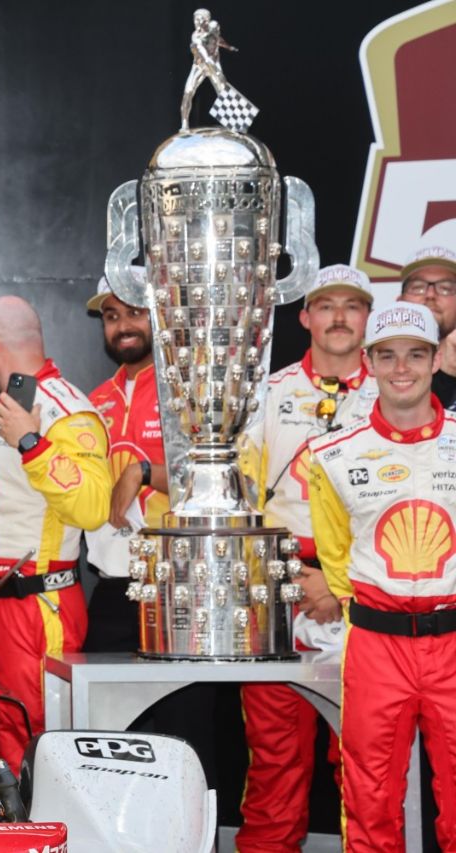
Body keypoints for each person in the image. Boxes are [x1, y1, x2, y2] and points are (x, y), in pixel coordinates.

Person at [235, 265, 375, 852]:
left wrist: (341, 584)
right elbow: (239, 496)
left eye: (352, 306)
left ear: (367, 317)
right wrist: (294, 573)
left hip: (365, 591)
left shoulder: (394, 389)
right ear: (305, 317)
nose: (339, 317)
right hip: (279, 583)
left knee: (366, 762)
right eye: (327, 305)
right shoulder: (268, 394)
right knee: (276, 759)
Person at [309, 300, 456, 851]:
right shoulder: (332, 453)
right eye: (388, 355)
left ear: (437, 358)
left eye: (415, 354)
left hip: (454, 638)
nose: (402, 368)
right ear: (368, 362)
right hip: (376, 643)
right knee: (369, 800)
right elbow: (335, 554)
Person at [0, 295, 111, 770]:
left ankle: (35, 846)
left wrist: (32, 441)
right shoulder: (12, 406)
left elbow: (92, 506)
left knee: (31, 749)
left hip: (34, 607)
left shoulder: (68, 410)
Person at [81, 272, 168, 651]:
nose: (123, 326)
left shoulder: (185, 392)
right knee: (100, 710)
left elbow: (220, 480)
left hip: (175, 585)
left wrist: (143, 472)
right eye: (112, 316)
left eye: (135, 312)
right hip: (112, 585)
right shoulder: (93, 401)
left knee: (185, 713)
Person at [397, 245, 456, 410]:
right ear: (399, 302)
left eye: (445, 288)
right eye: (418, 287)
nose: (430, 295)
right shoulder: (374, 365)